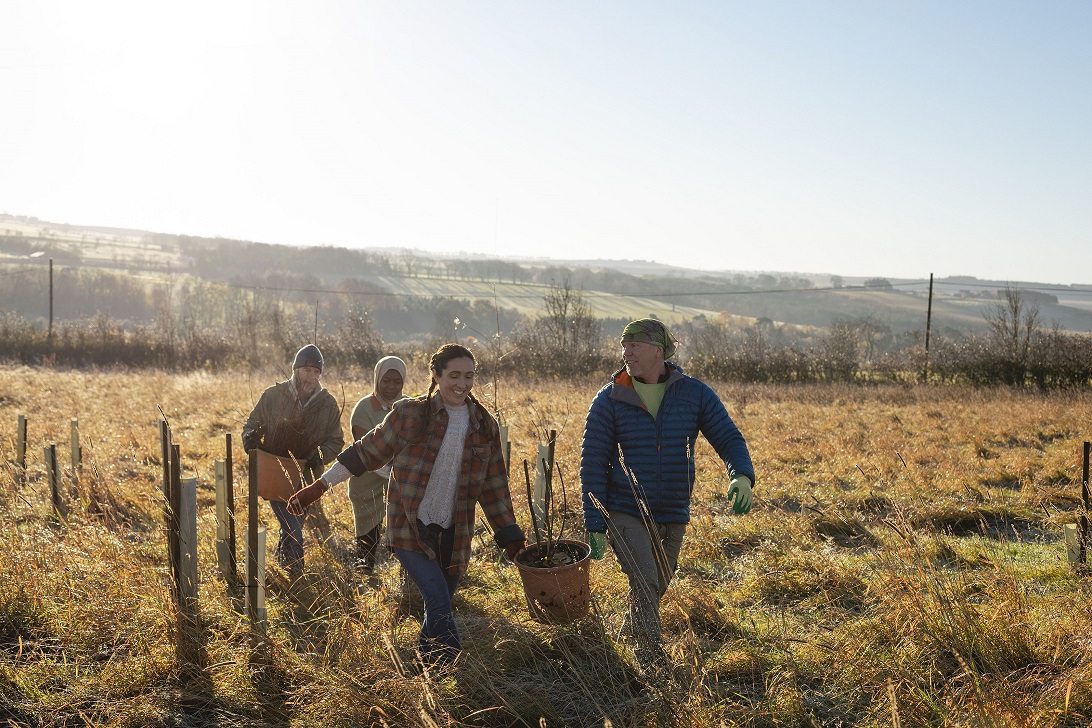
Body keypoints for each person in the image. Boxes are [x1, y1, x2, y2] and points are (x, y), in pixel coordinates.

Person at [288, 343, 526, 666]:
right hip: (409, 530)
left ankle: (424, 668)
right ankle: (456, 673)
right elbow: (365, 452)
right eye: (453, 375)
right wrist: (317, 488)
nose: (461, 384)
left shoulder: (484, 426)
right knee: (439, 601)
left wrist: (511, 538)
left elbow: (495, 488)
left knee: (437, 606)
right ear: (436, 375)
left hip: (454, 536)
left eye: (469, 376)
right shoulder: (410, 414)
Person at [580, 318, 755, 672]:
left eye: (635, 346)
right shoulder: (610, 398)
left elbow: (728, 437)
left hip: (673, 509)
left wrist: (741, 475)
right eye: (624, 345)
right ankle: (652, 663)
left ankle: (630, 630)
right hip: (625, 508)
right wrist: (595, 521)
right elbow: (593, 462)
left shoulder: (693, 394)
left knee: (658, 583)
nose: (626, 353)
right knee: (644, 580)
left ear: (658, 351)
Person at [242, 344, 344, 581]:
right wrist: (251, 439)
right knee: (292, 526)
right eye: (307, 369)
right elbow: (251, 424)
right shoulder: (273, 395)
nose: (312, 376)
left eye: (316, 371)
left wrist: (319, 454)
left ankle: (281, 565)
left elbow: (336, 440)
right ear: (296, 369)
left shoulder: (327, 403)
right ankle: (295, 577)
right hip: (275, 472)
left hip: (307, 478)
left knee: (293, 522)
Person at [346, 355, 407, 572]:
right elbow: (366, 452)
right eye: (386, 381)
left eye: (397, 382)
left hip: (401, 481)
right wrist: (393, 469)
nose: (391, 387)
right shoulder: (363, 409)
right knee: (367, 530)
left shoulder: (408, 407)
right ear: (377, 380)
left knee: (403, 528)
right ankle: (365, 573)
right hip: (367, 480)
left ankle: (405, 576)